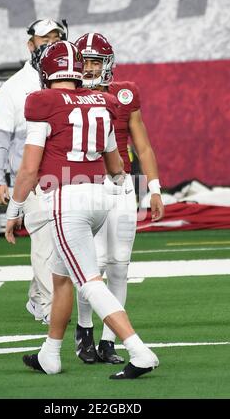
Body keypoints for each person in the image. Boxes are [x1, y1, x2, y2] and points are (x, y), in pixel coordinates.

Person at [5, 40, 160, 379]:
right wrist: (124, 191)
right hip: (102, 196)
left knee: (89, 281)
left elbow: (29, 169)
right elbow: (116, 164)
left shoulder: (41, 101)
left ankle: (139, 350)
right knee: (62, 278)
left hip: (66, 198)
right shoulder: (104, 101)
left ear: (47, 70)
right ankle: (50, 354)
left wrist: (13, 209)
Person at [73, 33, 165, 364]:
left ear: (108, 64)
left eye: (96, 61)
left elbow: (142, 146)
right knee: (90, 264)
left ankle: (108, 340)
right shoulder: (66, 95)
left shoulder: (125, 94)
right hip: (83, 184)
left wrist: (154, 188)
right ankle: (83, 331)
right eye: (84, 62)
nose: (89, 68)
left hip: (121, 184)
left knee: (119, 266)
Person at [0, 18, 68, 324]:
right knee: (45, 239)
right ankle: (49, 305)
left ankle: (37, 298)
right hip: (32, 178)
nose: (48, 43)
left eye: (55, 38)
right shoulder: (14, 87)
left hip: (66, 176)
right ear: (30, 44)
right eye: (43, 39)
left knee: (62, 242)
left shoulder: (69, 82)